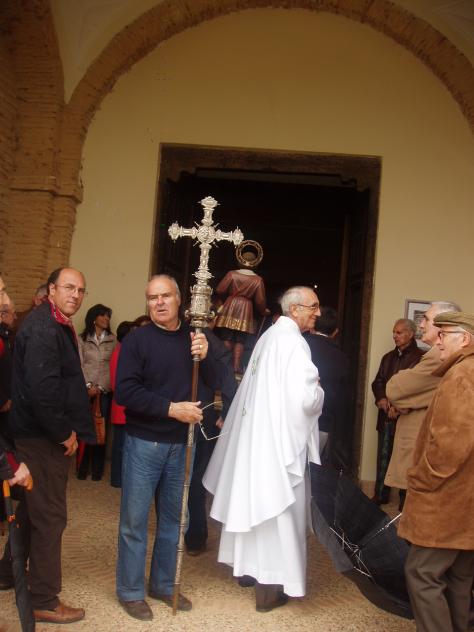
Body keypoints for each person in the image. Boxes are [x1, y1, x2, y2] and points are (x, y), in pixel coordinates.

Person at [204, 285, 324, 612]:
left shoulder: (269, 336)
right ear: (295, 309)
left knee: (255, 504)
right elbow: (306, 399)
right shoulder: (294, 343)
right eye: (313, 306)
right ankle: (270, 590)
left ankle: (248, 570)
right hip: (279, 445)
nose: (318, 312)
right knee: (277, 511)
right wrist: (320, 393)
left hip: (257, 440)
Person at [115, 274, 219, 621]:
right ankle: (130, 591)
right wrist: (171, 409)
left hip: (183, 445)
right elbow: (125, 391)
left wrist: (207, 356)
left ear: (179, 299)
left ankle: (162, 584)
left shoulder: (196, 338)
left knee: (176, 520)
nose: (158, 303)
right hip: (144, 443)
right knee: (134, 521)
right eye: (152, 298)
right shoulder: (137, 340)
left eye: (165, 296)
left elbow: (214, 383)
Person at [9, 267, 96, 624]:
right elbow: (43, 392)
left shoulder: (53, 321)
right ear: (51, 289)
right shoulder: (44, 326)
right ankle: (44, 599)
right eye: (69, 287)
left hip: (37, 435)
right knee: (50, 518)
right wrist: (64, 434)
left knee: (32, 511)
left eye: (81, 290)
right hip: (42, 438)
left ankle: (7, 572)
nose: (75, 295)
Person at [398, 311, 474, 632]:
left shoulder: (461, 375)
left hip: (446, 502)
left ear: (465, 339)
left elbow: (451, 445)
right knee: (458, 577)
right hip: (465, 503)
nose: (436, 341)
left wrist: (420, 479)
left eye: (444, 334)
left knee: (422, 573)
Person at [384, 301, 461, 508]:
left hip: (423, 446)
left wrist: (404, 399)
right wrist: (408, 399)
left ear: (443, 326)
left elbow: (394, 388)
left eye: (426, 319)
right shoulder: (435, 354)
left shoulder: (439, 357)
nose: (421, 325)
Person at [185, 310, 238, 556]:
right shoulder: (214, 343)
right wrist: (225, 414)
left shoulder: (206, 342)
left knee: (186, 478)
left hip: (187, 413)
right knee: (195, 479)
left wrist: (226, 412)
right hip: (199, 414)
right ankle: (194, 538)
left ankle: (187, 533)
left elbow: (226, 381)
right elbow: (227, 382)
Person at [371, 318, 424, 505]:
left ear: (410, 334)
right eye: (394, 332)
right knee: (383, 458)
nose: (395, 335)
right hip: (385, 417)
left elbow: (418, 389)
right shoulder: (388, 357)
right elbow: (378, 382)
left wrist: (399, 407)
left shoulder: (421, 358)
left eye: (399, 332)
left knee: (406, 461)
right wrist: (381, 399)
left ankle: (405, 501)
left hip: (408, 419)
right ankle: (380, 495)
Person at [303, 306, 349, 462]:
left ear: (312, 326)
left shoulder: (301, 346)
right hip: (323, 422)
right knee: (310, 468)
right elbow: (341, 399)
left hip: (294, 418)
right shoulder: (342, 358)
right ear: (336, 332)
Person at [215, 240, 268, 374]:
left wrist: (226, 299)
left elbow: (220, 289)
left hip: (230, 306)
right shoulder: (257, 280)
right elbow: (260, 301)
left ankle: (224, 364)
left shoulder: (232, 274)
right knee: (240, 340)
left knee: (227, 337)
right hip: (246, 309)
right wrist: (264, 310)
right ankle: (236, 367)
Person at [77, 303, 116, 481]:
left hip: (104, 392)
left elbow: (113, 367)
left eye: (108, 316)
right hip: (85, 391)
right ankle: (82, 469)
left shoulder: (113, 340)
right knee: (84, 429)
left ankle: (98, 471)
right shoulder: (82, 339)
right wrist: (87, 386)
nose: (107, 319)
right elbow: (79, 364)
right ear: (94, 318)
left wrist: (100, 388)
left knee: (101, 431)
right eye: (103, 315)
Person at [109, 320, 134, 488]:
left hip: (123, 405)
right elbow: (116, 383)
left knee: (122, 445)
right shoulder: (121, 352)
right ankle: (117, 479)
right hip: (122, 406)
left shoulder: (122, 350)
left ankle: (119, 478)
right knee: (120, 446)